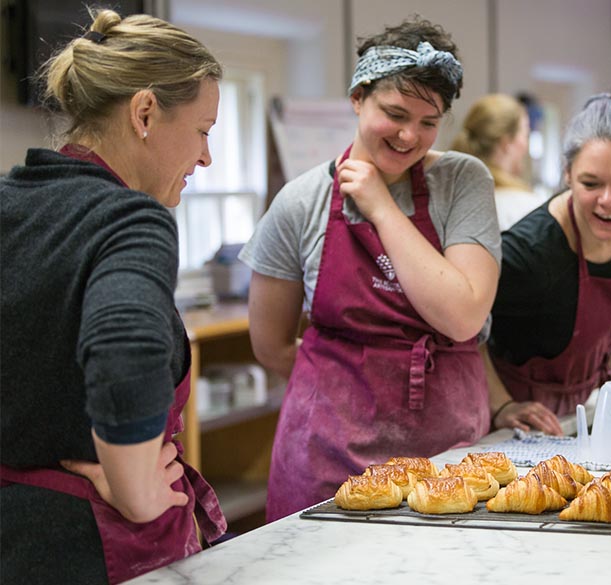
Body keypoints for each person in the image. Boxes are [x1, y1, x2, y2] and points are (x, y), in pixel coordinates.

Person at [240, 17, 501, 519]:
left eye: (430, 121)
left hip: (451, 464)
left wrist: (380, 206)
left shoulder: (463, 182)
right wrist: (351, 393)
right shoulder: (301, 203)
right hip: (329, 463)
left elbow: (463, 316)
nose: (410, 135)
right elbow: (270, 344)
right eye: (395, 113)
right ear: (358, 97)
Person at [0, 9, 226, 584]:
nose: (206, 157)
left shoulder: (6, 204)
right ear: (144, 111)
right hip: (91, 554)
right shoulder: (128, 219)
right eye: (203, 130)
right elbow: (126, 346)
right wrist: (134, 485)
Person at [485, 91, 611, 436]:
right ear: (568, 174)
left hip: (577, 408)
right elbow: (461, 329)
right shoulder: (531, 251)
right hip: (512, 425)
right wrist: (500, 404)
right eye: (590, 183)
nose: (608, 200)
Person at [451, 93, 546, 230]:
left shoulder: (452, 199)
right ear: (506, 143)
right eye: (525, 135)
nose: (526, 144)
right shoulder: (527, 208)